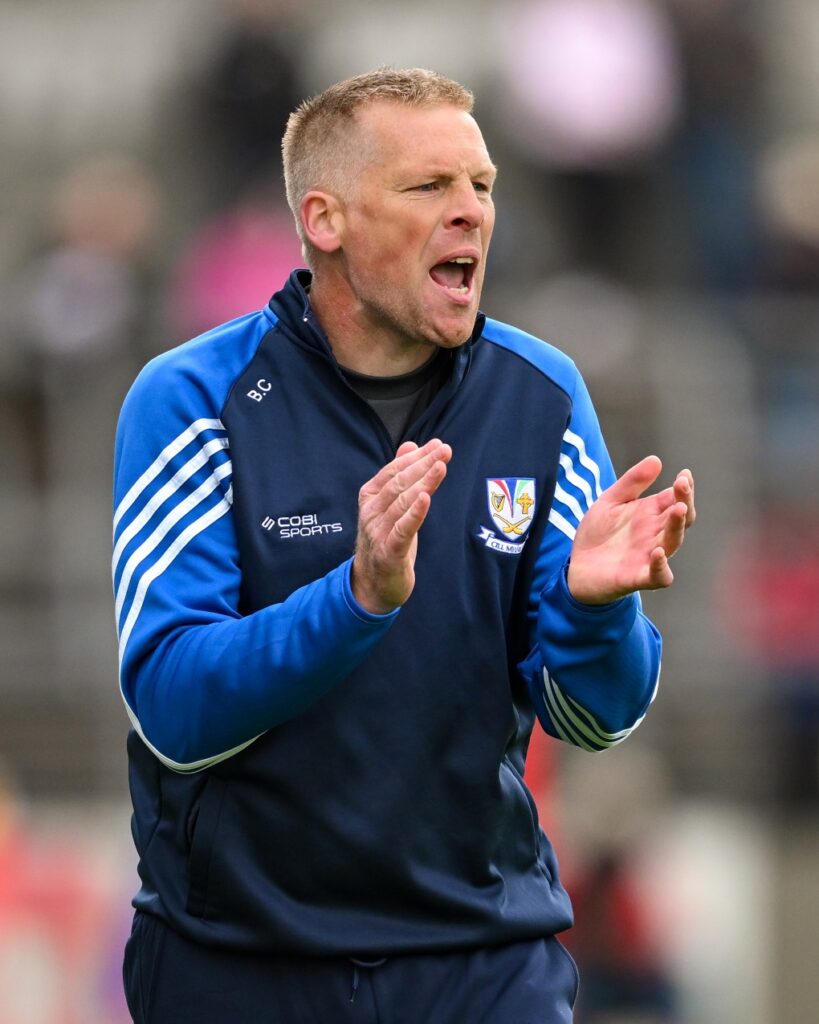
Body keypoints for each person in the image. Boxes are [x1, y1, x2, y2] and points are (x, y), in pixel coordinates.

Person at [112, 67, 695, 1023]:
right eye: (429, 187)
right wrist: (355, 600)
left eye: (482, 185)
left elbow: (596, 718)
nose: (470, 212)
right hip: (241, 964)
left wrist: (597, 613)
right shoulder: (192, 399)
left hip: (482, 963)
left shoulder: (540, 397)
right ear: (324, 219)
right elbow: (174, 707)